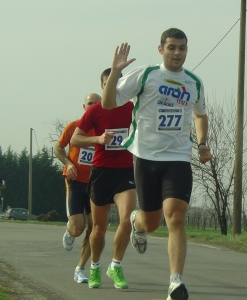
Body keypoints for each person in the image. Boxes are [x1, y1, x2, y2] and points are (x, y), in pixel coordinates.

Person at [101, 28, 211, 300]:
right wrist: (115, 71)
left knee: (175, 215)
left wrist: (202, 143)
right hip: (147, 158)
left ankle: (175, 282)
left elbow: (201, 115)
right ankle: (137, 223)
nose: (177, 53)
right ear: (161, 49)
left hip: (178, 158)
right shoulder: (146, 74)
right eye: (172, 47)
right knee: (151, 222)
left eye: (182, 48)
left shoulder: (194, 82)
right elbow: (108, 103)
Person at [71, 71, 136, 290]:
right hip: (100, 173)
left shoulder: (131, 108)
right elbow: (75, 139)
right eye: (108, 84)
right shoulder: (94, 111)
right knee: (98, 228)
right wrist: (97, 138)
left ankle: (115, 265)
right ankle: (95, 267)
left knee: (126, 219)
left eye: (117, 83)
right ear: (102, 86)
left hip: (125, 172)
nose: (112, 88)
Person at [54, 93, 100, 283]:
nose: (92, 106)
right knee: (78, 229)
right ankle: (70, 230)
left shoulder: (104, 131)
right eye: (90, 103)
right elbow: (58, 148)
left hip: (96, 184)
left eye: (96, 104)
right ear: (84, 106)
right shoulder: (74, 127)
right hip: (75, 181)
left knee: (94, 228)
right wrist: (69, 163)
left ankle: (80, 269)